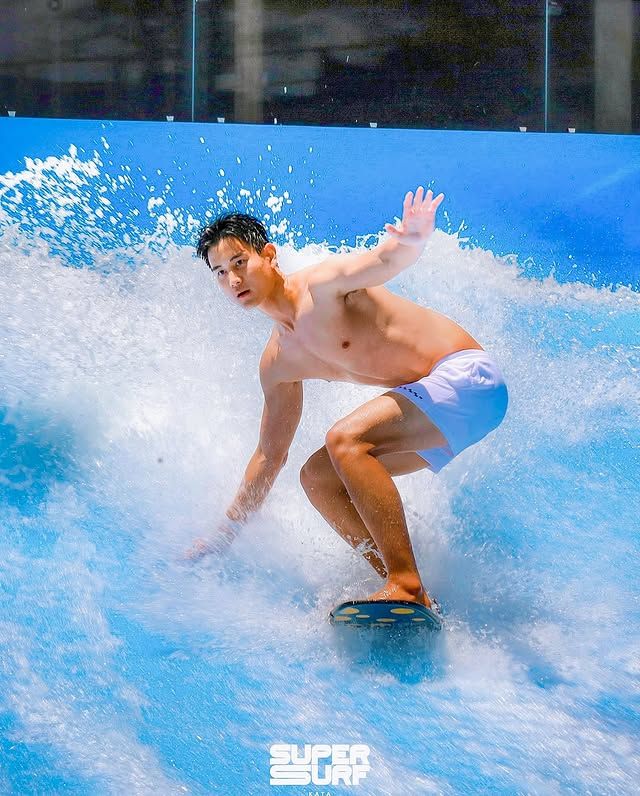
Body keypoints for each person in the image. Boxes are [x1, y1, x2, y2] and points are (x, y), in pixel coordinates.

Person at [187, 187, 508, 612]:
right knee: (317, 477)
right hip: (441, 413)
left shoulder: (322, 287)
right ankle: (412, 597)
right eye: (219, 273)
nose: (233, 280)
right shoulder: (278, 362)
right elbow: (269, 456)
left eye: (239, 262)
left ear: (269, 255)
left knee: (345, 440)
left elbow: (384, 261)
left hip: (468, 377)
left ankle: (405, 583)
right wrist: (226, 533)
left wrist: (413, 237)